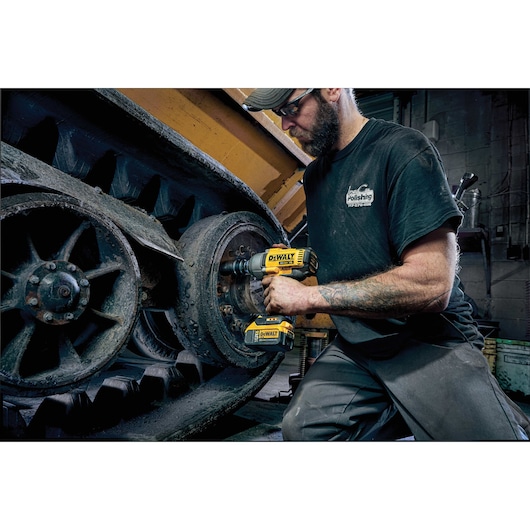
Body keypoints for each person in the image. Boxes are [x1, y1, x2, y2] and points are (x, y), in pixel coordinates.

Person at [243, 88, 530, 441]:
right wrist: (292, 263)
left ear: (332, 88)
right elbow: (343, 255)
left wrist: (307, 298)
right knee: (304, 429)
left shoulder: (402, 150)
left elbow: (432, 285)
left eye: (291, 107)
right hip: (359, 345)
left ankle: (476, 408)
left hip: (427, 341)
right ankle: (405, 403)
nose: (285, 123)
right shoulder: (315, 176)